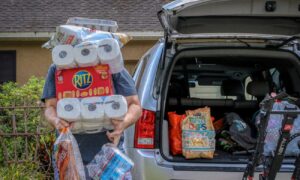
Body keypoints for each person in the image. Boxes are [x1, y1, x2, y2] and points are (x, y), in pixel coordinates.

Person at [41, 64, 142, 178]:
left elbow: (134, 105)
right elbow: (50, 107)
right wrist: (55, 121)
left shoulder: (110, 62)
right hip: (69, 153)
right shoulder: (59, 67)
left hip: (109, 154)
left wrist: (123, 124)